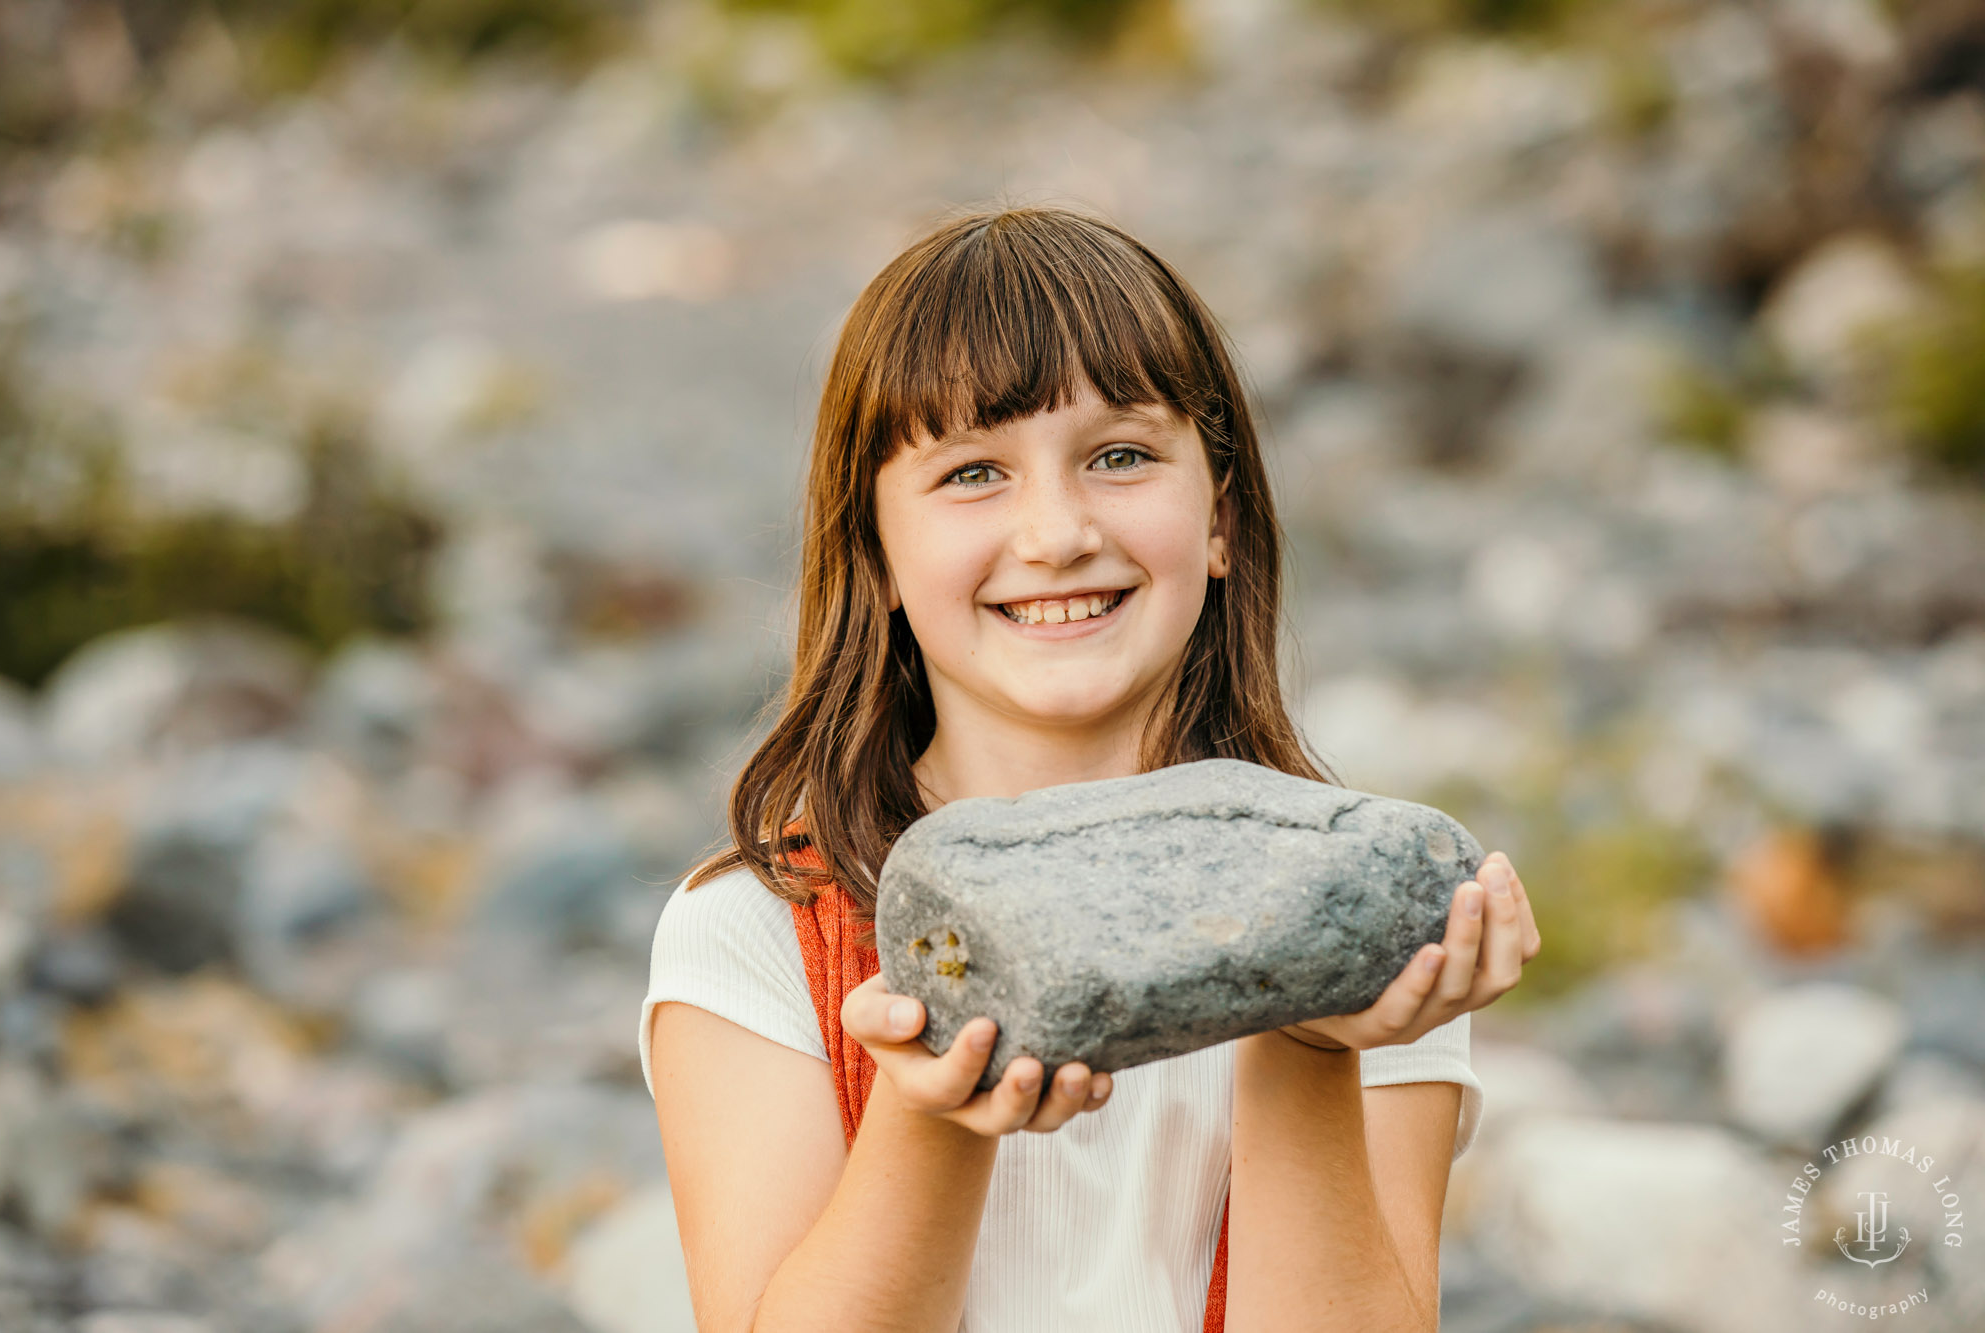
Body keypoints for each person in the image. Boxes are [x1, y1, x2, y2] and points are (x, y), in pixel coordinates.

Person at [639, 205, 1542, 1332]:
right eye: (973, 473)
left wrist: (1306, 1037)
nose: (1056, 532)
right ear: (872, 553)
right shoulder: (751, 930)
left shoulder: (1362, 910)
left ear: (1219, 517)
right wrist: (928, 1118)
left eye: (1119, 456)